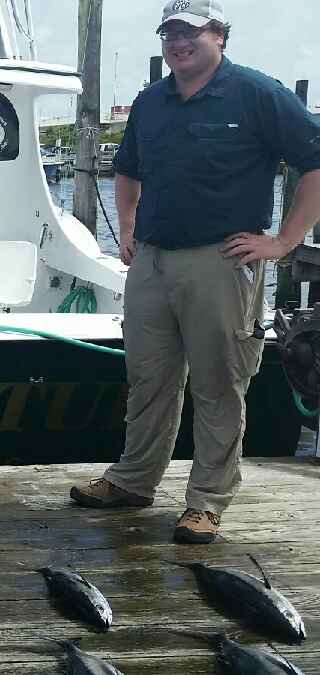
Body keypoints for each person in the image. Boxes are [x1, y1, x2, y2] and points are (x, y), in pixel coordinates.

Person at [70, 0, 320, 543]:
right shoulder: (150, 101)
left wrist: (283, 240)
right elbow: (128, 169)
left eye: (191, 33)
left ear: (220, 37)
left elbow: (315, 161)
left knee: (219, 386)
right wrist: (130, 228)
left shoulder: (257, 92)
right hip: (152, 263)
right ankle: (134, 480)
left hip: (222, 262)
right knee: (148, 379)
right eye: (170, 34)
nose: (179, 43)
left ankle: (206, 501)